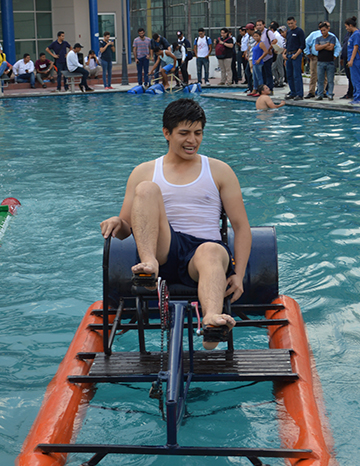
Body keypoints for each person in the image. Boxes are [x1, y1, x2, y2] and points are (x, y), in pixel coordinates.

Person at [99, 99, 251, 350]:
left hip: (204, 254)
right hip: (163, 252)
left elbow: (241, 227)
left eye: (198, 133)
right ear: (166, 133)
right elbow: (126, 230)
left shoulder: (220, 170)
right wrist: (118, 221)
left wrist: (240, 275)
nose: (192, 140)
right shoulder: (145, 170)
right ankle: (148, 267)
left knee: (211, 251)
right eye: (184, 133)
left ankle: (211, 319)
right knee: (146, 189)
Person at [314, 22, 340, 100]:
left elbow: (331, 48)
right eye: (321, 31)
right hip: (320, 61)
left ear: (328, 29)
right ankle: (320, 94)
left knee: (330, 80)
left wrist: (321, 46)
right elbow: (316, 48)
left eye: (324, 30)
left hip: (330, 62)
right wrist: (326, 45)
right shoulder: (318, 39)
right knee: (320, 80)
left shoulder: (332, 38)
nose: (323, 32)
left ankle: (330, 94)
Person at [282, 17, 304, 99]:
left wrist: (297, 54)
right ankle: (293, 92)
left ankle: (299, 93)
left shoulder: (299, 31)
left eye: (292, 23)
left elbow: (302, 45)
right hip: (289, 54)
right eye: (289, 24)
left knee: (296, 75)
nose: (290, 25)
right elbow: (287, 44)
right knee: (289, 75)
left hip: (296, 54)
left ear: (295, 22)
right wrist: (284, 54)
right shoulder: (288, 32)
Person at [345, 17, 360, 105]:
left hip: (355, 60)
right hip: (352, 59)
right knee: (353, 79)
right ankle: (356, 96)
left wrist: (351, 60)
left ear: (351, 25)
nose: (346, 28)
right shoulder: (353, 34)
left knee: (357, 79)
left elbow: (355, 47)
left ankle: (359, 98)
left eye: (347, 26)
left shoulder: (356, 34)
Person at [303, 25, 321, 98]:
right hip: (315, 57)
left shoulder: (331, 36)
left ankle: (322, 91)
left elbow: (337, 46)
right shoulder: (314, 34)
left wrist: (334, 55)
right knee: (313, 74)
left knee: (324, 76)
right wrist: (308, 53)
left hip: (325, 58)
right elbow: (306, 43)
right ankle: (311, 91)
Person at [248, 29, 266, 97]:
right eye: (254, 36)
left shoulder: (261, 43)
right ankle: (254, 89)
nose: (255, 38)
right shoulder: (255, 43)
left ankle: (260, 90)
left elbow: (266, 51)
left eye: (257, 36)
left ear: (260, 36)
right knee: (254, 77)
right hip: (254, 62)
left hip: (258, 62)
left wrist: (260, 59)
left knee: (259, 77)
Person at [240, 24, 255, 91]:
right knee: (247, 71)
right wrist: (247, 53)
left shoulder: (254, 36)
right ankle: (250, 87)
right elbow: (249, 46)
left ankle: (254, 88)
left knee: (252, 73)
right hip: (250, 56)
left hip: (254, 57)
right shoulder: (249, 37)